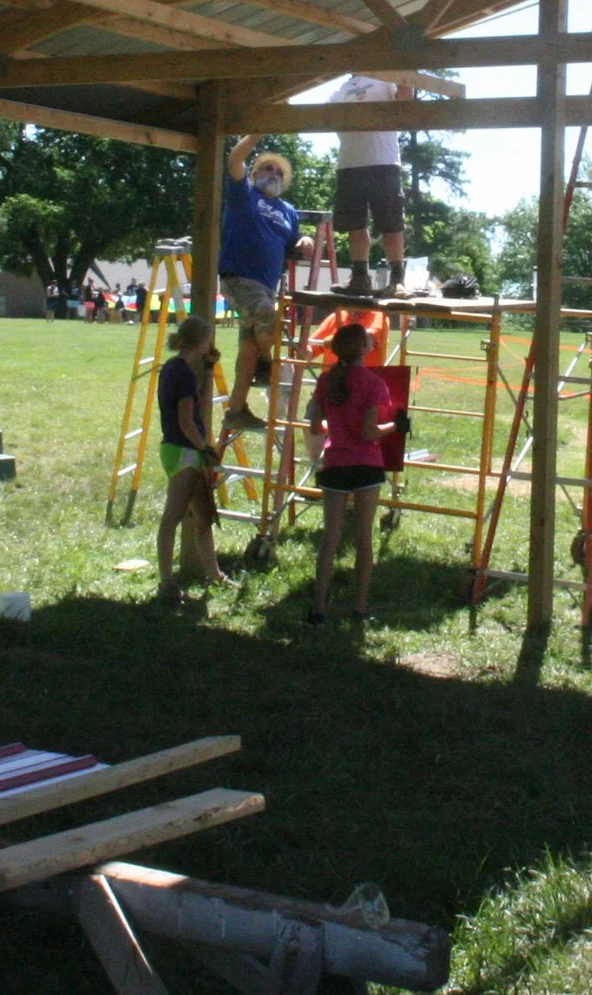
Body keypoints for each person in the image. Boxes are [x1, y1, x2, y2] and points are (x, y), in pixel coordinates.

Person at [305, 321, 400, 626]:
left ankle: (318, 608)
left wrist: (337, 428)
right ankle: (359, 608)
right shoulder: (374, 384)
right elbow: (369, 431)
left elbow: (313, 426)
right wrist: (396, 426)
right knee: (363, 538)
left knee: (329, 539)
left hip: (335, 463)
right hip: (366, 466)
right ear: (362, 349)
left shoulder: (326, 381)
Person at [220, 135, 312, 434]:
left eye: (278, 172)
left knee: (249, 348)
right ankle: (269, 366)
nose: (273, 174)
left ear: (284, 182)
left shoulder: (288, 211)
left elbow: (291, 242)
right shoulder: (244, 193)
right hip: (239, 277)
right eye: (267, 169)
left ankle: (236, 410)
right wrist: (255, 134)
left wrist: (303, 239)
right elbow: (233, 160)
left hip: (266, 286)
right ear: (254, 174)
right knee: (271, 320)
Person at [154, 316, 232, 603]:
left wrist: (208, 369)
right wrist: (205, 449)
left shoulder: (175, 367)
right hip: (184, 451)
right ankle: (166, 581)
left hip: (183, 449)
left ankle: (216, 575)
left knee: (204, 516)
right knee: (173, 517)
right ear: (202, 342)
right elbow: (187, 421)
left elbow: (194, 398)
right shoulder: (184, 374)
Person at [329, 74, 412, 297]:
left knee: (391, 223)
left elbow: (405, 99)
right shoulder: (341, 89)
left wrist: (405, 70)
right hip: (349, 164)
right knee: (355, 225)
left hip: (383, 161)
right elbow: (325, 118)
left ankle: (397, 281)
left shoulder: (385, 78)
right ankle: (359, 278)